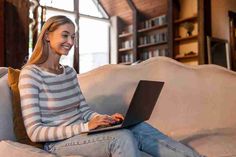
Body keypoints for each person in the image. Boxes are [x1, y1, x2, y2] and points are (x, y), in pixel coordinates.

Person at [19, 15, 202, 157]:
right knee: (122, 137)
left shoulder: (69, 72)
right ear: (47, 37)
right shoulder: (31, 74)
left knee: (137, 126)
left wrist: (103, 119)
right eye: (65, 35)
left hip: (82, 133)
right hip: (58, 143)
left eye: (73, 37)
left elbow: (83, 110)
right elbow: (35, 132)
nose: (71, 42)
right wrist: (85, 127)